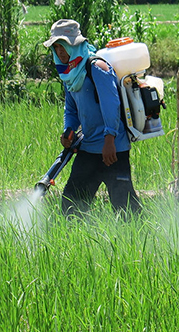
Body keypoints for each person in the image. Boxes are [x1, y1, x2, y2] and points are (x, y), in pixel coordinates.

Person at [43, 19, 142, 218]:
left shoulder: (97, 67)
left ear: (76, 44)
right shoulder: (69, 74)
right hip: (89, 148)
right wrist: (68, 131)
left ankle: (141, 241)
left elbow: (111, 105)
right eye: (56, 47)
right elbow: (71, 109)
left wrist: (109, 139)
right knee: (72, 204)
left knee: (125, 207)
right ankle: (74, 243)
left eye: (64, 46)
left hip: (113, 150)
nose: (60, 52)